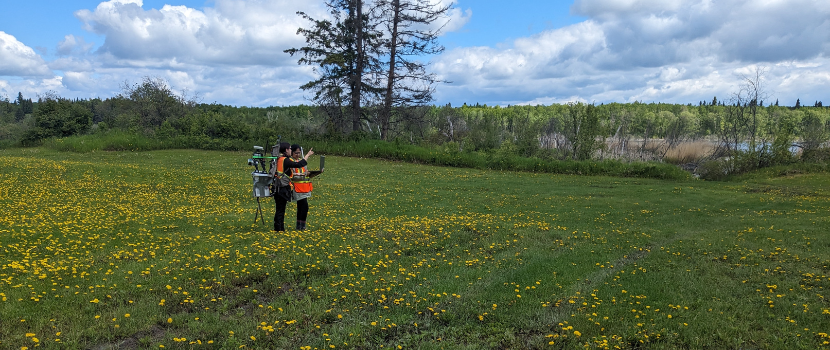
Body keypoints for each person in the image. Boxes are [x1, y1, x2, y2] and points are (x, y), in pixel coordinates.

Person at [269, 142, 313, 231]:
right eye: (289, 149)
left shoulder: (278, 159)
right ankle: (279, 229)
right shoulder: (285, 159)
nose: (290, 150)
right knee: (280, 210)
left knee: (280, 209)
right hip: (282, 186)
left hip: (277, 186)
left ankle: (279, 228)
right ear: (286, 150)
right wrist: (307, 155)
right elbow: (298, 165)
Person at [288, 144, 315, 230]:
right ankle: (301, 226)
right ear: (292, 152)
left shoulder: (300, 161)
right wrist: (302, 174)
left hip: (304, 188)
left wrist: (308, 173)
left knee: (303, 207)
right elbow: (292, 175)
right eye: (296, 153)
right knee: (304, 207)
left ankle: (300, 225)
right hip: (297, 188)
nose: (298, 155)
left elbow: (304, 169)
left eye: (299, 153)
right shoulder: (290, 161)